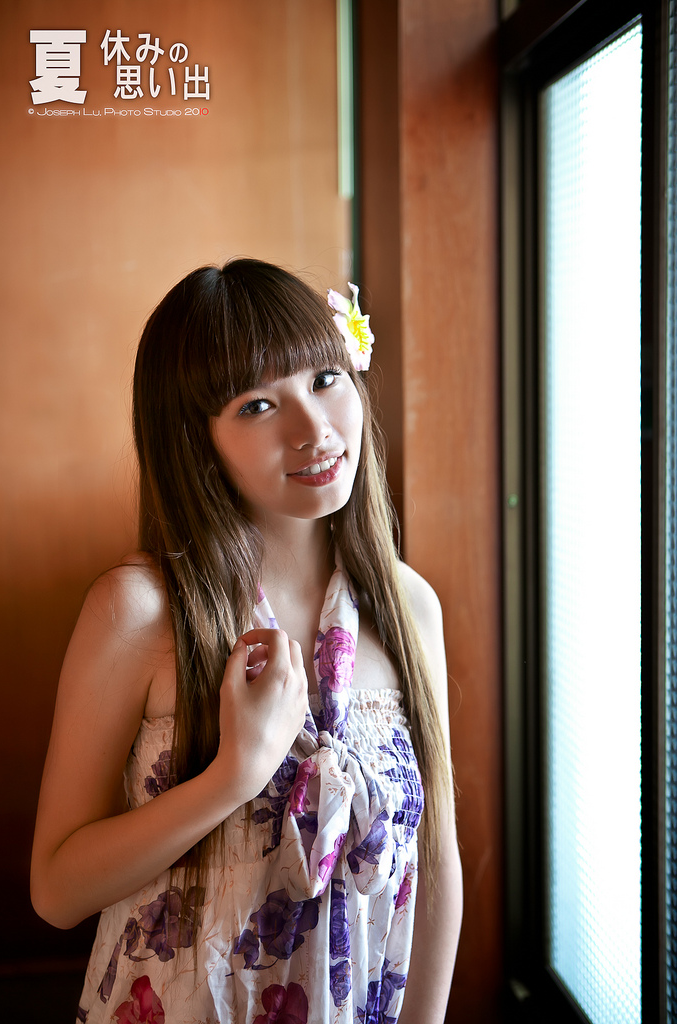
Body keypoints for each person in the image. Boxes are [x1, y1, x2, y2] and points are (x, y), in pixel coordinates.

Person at [31, 258, 462, 1023]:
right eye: (258, 404)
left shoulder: (407, 607)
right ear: (195, 439)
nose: (314, 428)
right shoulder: (139, 612)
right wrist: (233, 776)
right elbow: (57, 891)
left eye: (325, 379)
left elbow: (434, 869)